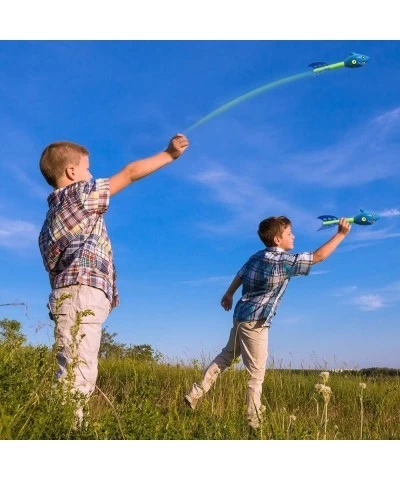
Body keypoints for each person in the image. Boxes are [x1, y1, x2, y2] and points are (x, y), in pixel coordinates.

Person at [38, 134, 189, 424]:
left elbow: (52, 270)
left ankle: (64, 426)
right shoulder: (81, 194)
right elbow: (130, 174)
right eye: (88, 168)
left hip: (65, 296)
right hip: (81, 295)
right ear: (72, 172)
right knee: (78, 375)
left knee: (72, 368)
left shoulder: (48, 223)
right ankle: (65, 433)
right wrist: (169, 155)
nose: (92, 175)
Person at [184, 215, 351, 429]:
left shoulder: (256, 257)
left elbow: (240, 275)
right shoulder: (284, 262)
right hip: (256, 322)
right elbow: (318, 256)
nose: (294, 236)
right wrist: (340, 234)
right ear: (277, 239)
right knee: (256, 374)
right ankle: (253, 422)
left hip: (241, 317)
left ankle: (195, 393)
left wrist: (228, 294)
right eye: (289, 233)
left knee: (226, 356)